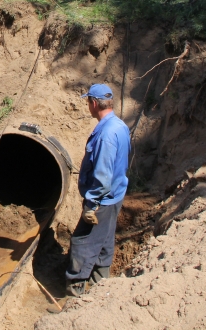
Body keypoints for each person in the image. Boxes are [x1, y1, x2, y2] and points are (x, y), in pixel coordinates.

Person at [66, 83, 130, 297]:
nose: (88, 106)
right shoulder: (120, 126)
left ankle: (74, 294)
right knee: (104, 240)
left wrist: (91, 204)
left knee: (81, 243)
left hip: (101, 201)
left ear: (94, 103)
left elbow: (102, 178)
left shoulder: (105, 135)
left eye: (88, 102)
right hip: (115, 196)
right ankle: (101, 285)